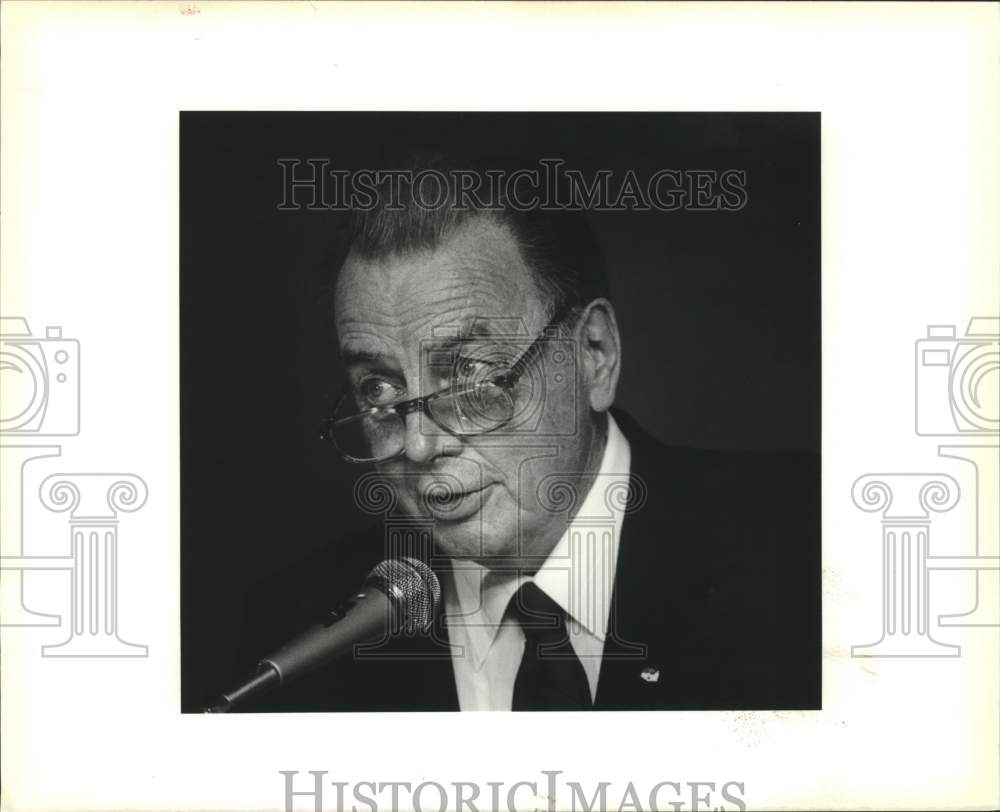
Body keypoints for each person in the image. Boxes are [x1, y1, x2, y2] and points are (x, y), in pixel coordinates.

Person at [229, 165, 819, 712]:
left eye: (469, 376)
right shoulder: (284, 649)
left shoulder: (810, 545)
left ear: (594, 354)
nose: (417, 445)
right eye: (379, 391)